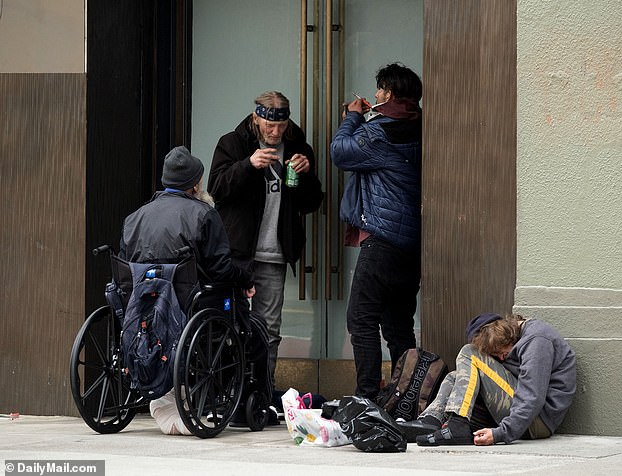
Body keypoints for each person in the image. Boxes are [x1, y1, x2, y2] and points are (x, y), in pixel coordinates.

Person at [119, 145, 256, 435]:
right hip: (188, 306)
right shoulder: (203, 214)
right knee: (246, 323)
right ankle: (243, 400)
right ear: (195, 184)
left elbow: (127, 270)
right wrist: (245, 280)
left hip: (141, 307)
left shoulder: (134, 218)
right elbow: (220, 269)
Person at [208, 91, 324, 387]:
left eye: (281, 127)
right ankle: (225, 391)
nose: (275, 133)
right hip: (236, 255)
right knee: (228, 325)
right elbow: (217, 189)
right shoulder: (232, 143)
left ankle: (260, 393)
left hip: (274, 254)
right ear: (256, 119)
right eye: (269, 126)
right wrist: (248, 165)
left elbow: (311, 203)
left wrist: (306, 175)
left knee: (268, 329)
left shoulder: (298, 148)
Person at [330, 63, 423, 399]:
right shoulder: (421, 126)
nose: (375, 96)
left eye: (380, 91)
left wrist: (353, 117)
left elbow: (340, 153)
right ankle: (407, 396)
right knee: (398, 326)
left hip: (382, 239)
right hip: (412, 246)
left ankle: (366, 394)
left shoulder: (380, 132)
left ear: (391, 94)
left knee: (361, 319)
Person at [407, 312, 577, 446]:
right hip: (524, 415)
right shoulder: (516, 339)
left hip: (536, 421)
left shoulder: (536, 340)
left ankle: (458, 424)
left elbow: (532, 397)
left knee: (469, 352)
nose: (501, 359)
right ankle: (431, 421)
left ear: (502, 335)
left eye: (498, 352)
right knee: (456, 376)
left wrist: (500, 433)